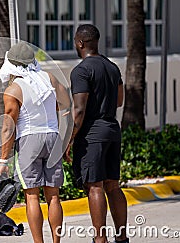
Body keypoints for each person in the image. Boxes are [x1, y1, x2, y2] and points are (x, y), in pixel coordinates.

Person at [0, 42, 70, 243]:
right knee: (53, 196)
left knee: (32, 196)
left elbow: (8, 127)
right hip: (52, 137)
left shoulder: (13, 90)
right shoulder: (49, 78)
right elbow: (66, 101)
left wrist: (3, 161)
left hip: (30, 139)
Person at [65, 24, 128, 243]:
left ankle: (99, 239)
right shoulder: (112, 67)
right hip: (112, 129)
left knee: (95, 186)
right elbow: (119, 101)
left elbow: (79, 110)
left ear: (80, 43)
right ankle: (122, 238)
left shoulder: (81, 70)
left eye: (75, 41)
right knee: (113, 185)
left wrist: (69, 139)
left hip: (92, 133)